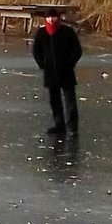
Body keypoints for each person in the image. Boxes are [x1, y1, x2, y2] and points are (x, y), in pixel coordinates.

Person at [32, 7, 83, 135]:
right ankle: (59, 125)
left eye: (53, 17)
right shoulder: (42, 33)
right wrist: (42, 64)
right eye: (48, 17)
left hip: (66, 72)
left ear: (58, 17)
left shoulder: (67, 31)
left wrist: (70, 63)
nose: (51, 19)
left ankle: (72, 127)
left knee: (70, 100)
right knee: (54, 101)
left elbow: (77, 50)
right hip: (50, 72)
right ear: (45, 18)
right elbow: (36, 51)